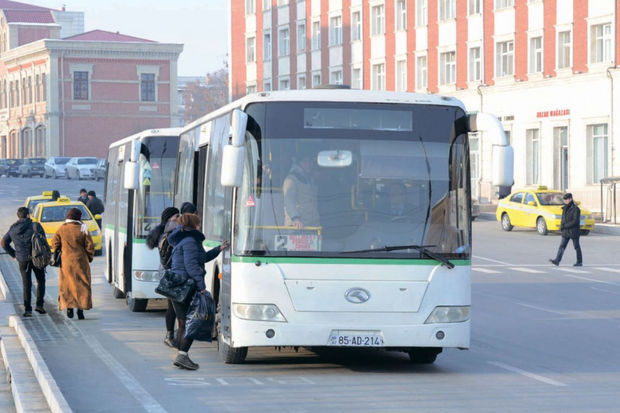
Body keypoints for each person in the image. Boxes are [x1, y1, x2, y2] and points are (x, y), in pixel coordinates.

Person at [167, 213, 228, 370]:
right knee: (192, 322)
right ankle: (183, 355)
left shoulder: (183, 240)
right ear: (193, 225)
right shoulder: (190, 242)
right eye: (198, 223)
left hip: (177, 285)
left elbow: (201, 258)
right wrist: (201, 286)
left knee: (182, 323)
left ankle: (181, 355)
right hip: (186, 286)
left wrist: (218, 249)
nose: (200, 226)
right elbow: (192, 266)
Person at [1, 207, 47, 317]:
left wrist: (14, 255)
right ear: (28, 215)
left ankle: (27, 309)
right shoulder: (36, 226)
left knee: (26, 284)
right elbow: (44, 241)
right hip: (37, 258)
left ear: (18, 216)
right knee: (40, 281)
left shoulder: (13, 229)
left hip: (22, 259)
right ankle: (39, 305)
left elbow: (3, 243)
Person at [51, 208, 95, 320]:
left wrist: (61, 250)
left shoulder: (62, 228)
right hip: (81, 261)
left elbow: (54, 243)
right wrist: (89, 258)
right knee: (82, 284)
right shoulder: (83, 228)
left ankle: (69, 307)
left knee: (67, 285)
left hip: (66, 261)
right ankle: (80, 310)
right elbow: (89, 245)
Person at [146, 206, 180, 348]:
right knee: (173, 306)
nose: (178, 218)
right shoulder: (169, 233)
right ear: (168, 218)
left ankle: (173, 334)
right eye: (176, 216)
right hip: (170, 272)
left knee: (174, 305)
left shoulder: (166, 231)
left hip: (167, 272)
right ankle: (170, 335)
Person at [282, 155, 320, 229]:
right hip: (297, 226)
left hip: (312, 225)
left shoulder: (310, 179)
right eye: (305, 161)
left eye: (310, 161)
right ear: (299, 163)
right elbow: (289, 201)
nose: (309, 164)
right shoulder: (291, 179)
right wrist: (295, 219)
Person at [550, 193, 583, 267]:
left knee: (576, 246)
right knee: (562, 246)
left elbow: (575, 221)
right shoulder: (565, 208)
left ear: (570, 199)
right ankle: (557, 261)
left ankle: (579, 261)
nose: (565, 201)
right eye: (564, 199)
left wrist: (565, 226)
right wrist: (561, 226)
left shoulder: (575, 209)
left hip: (573, 231)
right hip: (566, 231)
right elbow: (563, 219)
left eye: (566, 199)